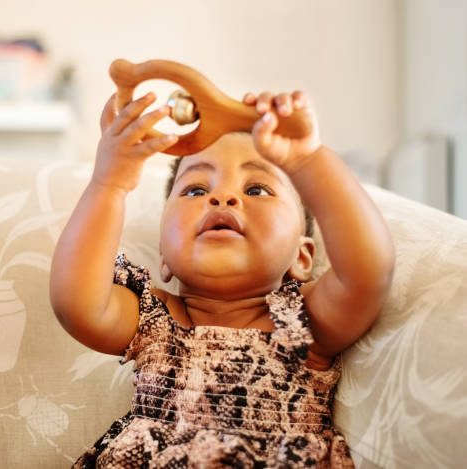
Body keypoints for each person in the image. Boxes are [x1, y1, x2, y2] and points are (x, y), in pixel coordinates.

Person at [50, 88, 395, 467]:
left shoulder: (303, 323)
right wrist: (110, 184)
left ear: (302, 256)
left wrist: (308, 159)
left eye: (257, 188)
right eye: (196, 189)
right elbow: (75, 302)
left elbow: (369, 271)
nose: (223, 197)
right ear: (164, 257)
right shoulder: (153, 321)